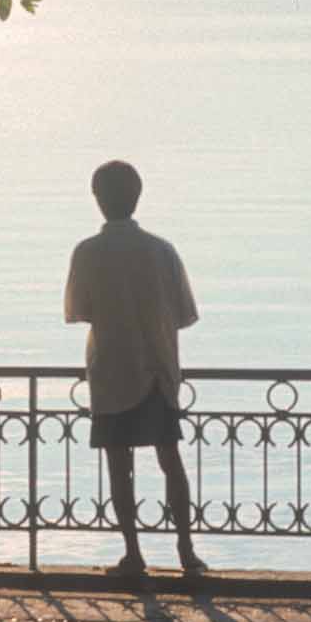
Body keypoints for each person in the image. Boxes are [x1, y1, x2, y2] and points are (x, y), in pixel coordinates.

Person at [63, 159, 206, 582]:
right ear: (137, 196)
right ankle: (186, 551)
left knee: (118, 465)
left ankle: (133, 554)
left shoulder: (87, 252)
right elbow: (184, 313)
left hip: (110, 370)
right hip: (158, 369)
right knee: (170, 459)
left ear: (98, 199)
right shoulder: (162, 251)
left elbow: (79, 311)